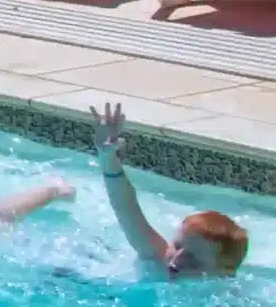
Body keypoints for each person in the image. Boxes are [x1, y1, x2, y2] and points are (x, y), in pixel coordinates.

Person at [91, 102, 248, 278]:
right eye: (177, 246)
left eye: (193, 259)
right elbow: (126, 210)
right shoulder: (157, 260)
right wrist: (107, 157)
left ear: (224, 273)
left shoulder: (229, 301)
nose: (176, 261)